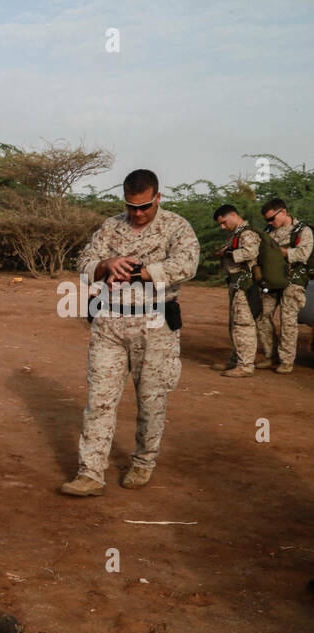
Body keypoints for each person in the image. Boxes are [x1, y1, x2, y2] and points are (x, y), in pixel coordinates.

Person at [59, 169, 200, 495]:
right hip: (109, 324)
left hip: (155, 326)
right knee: (99, 402)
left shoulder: (176, 227)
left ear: (158, 198)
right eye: (131, 207)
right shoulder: (111, 226)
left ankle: (143, 461)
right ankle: (90, 473)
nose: (137, 213)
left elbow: (187, 264)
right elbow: (84, 263)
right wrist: (105, 265)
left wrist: (140, 271)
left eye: (145, 207)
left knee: (151, 401)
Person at [257, 198, 312, 374]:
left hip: (293, 279)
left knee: (287, 320)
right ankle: (270, 355)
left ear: (283, 212)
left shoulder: (303, 230)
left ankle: (286, 360)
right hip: (271, 280)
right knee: (262, 316)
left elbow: (303, 254)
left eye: (272, 218)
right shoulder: (269, 231)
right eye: (267, 220)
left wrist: (280, 252)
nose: (270, 223)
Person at [210, 205, 261, 378]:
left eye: (224, 222)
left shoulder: (247, 233)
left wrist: (228, 253)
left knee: (243, 324)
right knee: (234, 324)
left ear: (233, 215)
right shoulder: (236, 234)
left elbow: (251, 252)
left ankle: (245, 365)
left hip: (244, 284)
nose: (222, 227)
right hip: (236, 284)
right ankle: (235, 360)